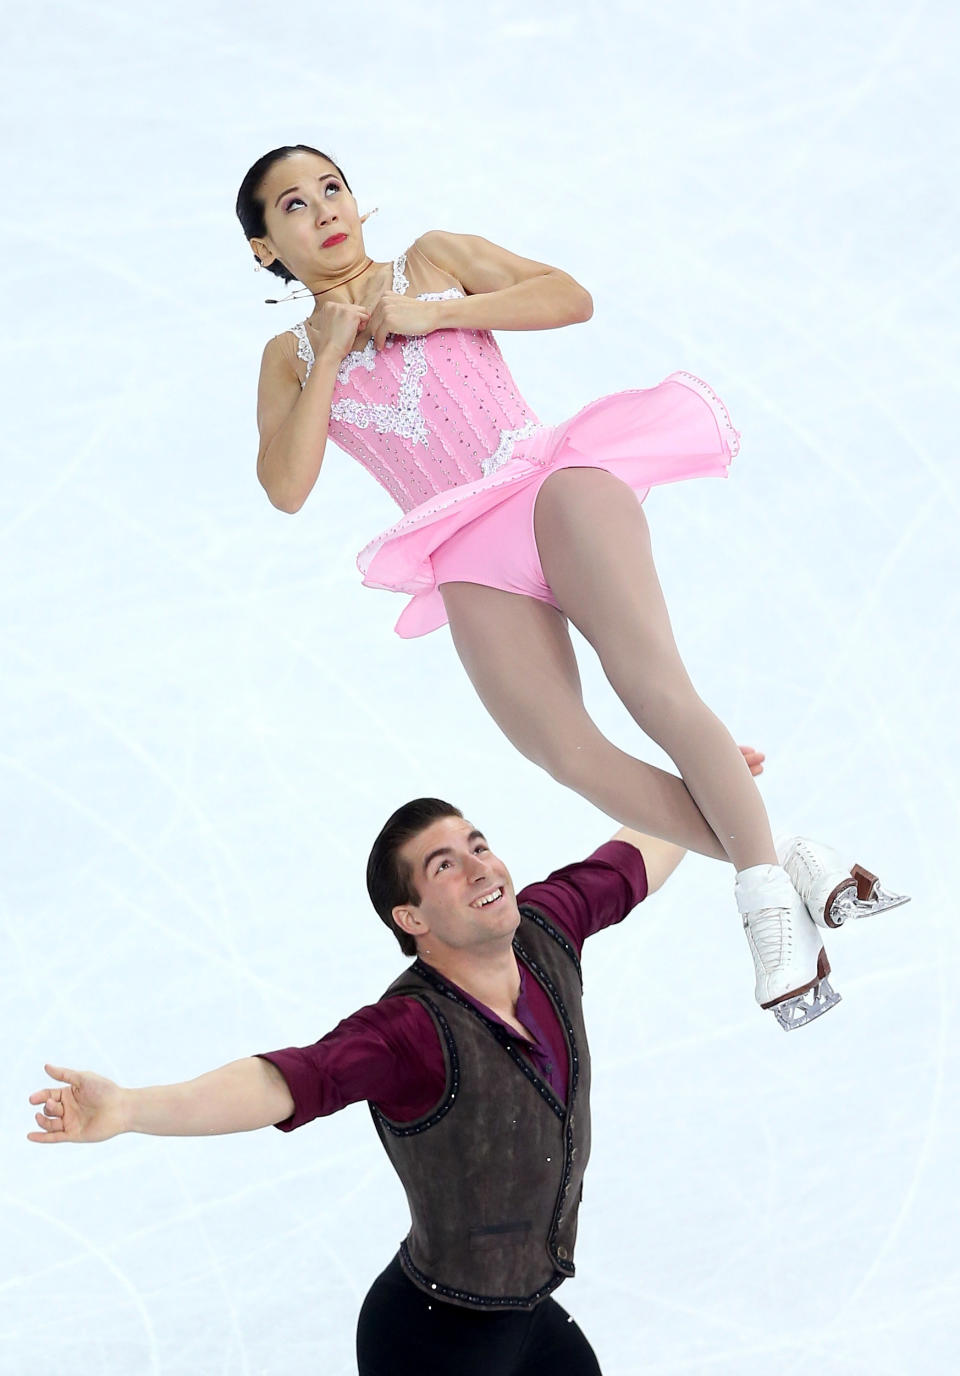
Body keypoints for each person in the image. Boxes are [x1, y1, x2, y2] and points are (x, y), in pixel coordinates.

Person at [235, 146, 907, 1027]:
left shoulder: (430, 258)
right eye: (293, 205)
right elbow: (285, 488)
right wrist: (326, 353)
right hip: (463, 547)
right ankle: (788, 856)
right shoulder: (285, 356)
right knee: (562, 750)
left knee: (652, 687)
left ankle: (766, 911)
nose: (324, 210)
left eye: (332, 188)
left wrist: (434, 315)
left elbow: (568, 296)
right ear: (264, 247)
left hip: (550, 486)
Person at [30, 800, 723, 1374]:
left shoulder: (547, 930)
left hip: (529, 1321)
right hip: (428, 1345)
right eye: (444, 865)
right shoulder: (408, 1033)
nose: (481, 866)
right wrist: (127, 1107)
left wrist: (700, 783)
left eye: (478, 845)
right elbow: (283, 1081)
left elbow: (629, 860)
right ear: (412, 918)